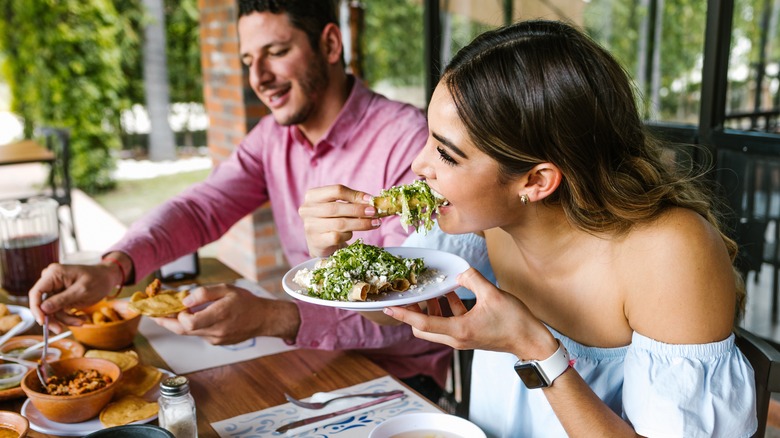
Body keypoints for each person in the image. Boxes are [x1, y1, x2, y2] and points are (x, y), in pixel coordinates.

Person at [303, 20, 757, 437]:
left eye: (446, 154)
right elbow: (399, 307)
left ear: (536, 180)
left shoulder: (670, 252)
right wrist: (333, 262)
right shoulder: (485, 223)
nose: (417, 165)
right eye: (429, 138)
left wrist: (535, 348)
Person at [27, 0, 450, 402]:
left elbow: (419, 311)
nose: (258, 78)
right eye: (249, 61)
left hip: (401, 379)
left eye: (277, 52)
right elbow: (202, 207)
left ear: (330, 45)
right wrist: (112, 268)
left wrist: (273, 318)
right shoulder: (272, 138)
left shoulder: (407, 142)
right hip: (310, 356)